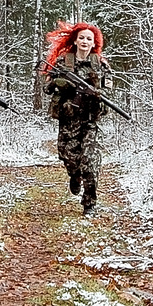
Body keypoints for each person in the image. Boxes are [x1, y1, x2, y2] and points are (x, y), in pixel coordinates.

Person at [42, 19, 111, 215]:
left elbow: (109, 92)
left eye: (89, 39)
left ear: (94, 42)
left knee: (90, 161)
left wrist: (98, 95)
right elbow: (47, 87)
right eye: (82, 38)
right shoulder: (63, 62)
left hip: (90, 120)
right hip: (68, 118)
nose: (85, 42)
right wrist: (59, 83)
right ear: (75, 40)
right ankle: (74, 176)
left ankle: (89, 203)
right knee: (68, 157)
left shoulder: (101, 65)